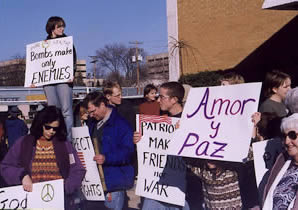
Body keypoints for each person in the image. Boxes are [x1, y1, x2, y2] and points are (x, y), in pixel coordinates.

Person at [0, 106, 86, 209]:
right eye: (48, 127)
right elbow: (6, 166)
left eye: (55, 128)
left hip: (59, 202)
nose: (51, 131)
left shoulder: (64, 145)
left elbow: (77, 169)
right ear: (40, 124)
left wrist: (65, 187)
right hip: (31, 201)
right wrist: (22, 175)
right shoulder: (23, 143)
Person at [134, 81, 191, 210]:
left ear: (174, 100)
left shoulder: (189, 121)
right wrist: (140, 140)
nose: (158, 100)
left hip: (181, 189)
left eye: (162, 97)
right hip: (157, 186)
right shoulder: (159, 119)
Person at [83, 91, 134, 210]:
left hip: (114, 183)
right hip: (95, 183)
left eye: (93, 111)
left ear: (102, 104)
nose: (91, 115)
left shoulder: (121, 124)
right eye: (89, 112)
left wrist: (107, 158)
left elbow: (128, 152)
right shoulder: (92, 123)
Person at [43, 16, 77, 141]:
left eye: (63, 26)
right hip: (49, 81)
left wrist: (71, 73)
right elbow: (39, 64)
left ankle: (68, 141)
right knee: (53, 110)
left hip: (63, 80)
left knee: (66, 110)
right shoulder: (43, 45)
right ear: (52, 27)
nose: (62, 28)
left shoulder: (67, 42)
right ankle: (55, 138)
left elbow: (73, 59)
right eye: (59, 26)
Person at [262, 113, 298, 209]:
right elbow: (268, 203)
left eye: (292, 135)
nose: (287, 141)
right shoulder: (282, 164)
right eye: (284, 136)